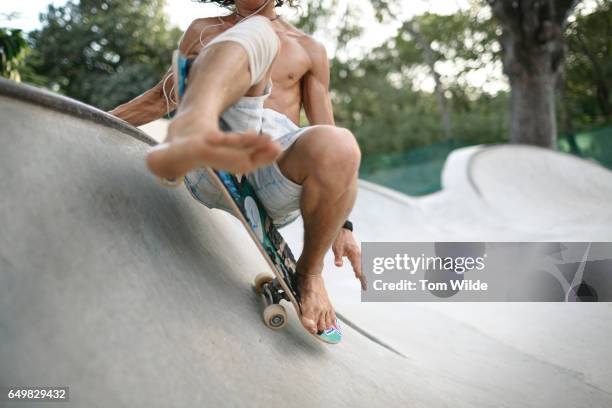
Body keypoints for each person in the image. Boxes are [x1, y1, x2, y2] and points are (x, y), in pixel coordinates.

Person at [110, 0, 365, 335]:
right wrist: (86, 121)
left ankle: (310, 274)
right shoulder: (205, 31)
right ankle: (196, 125)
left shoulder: (309, 49)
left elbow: (328, 135)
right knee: (257, 33)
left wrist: (343, 226)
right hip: (215, 154)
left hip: (276, 171)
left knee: (342, 142)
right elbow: (161, 97)